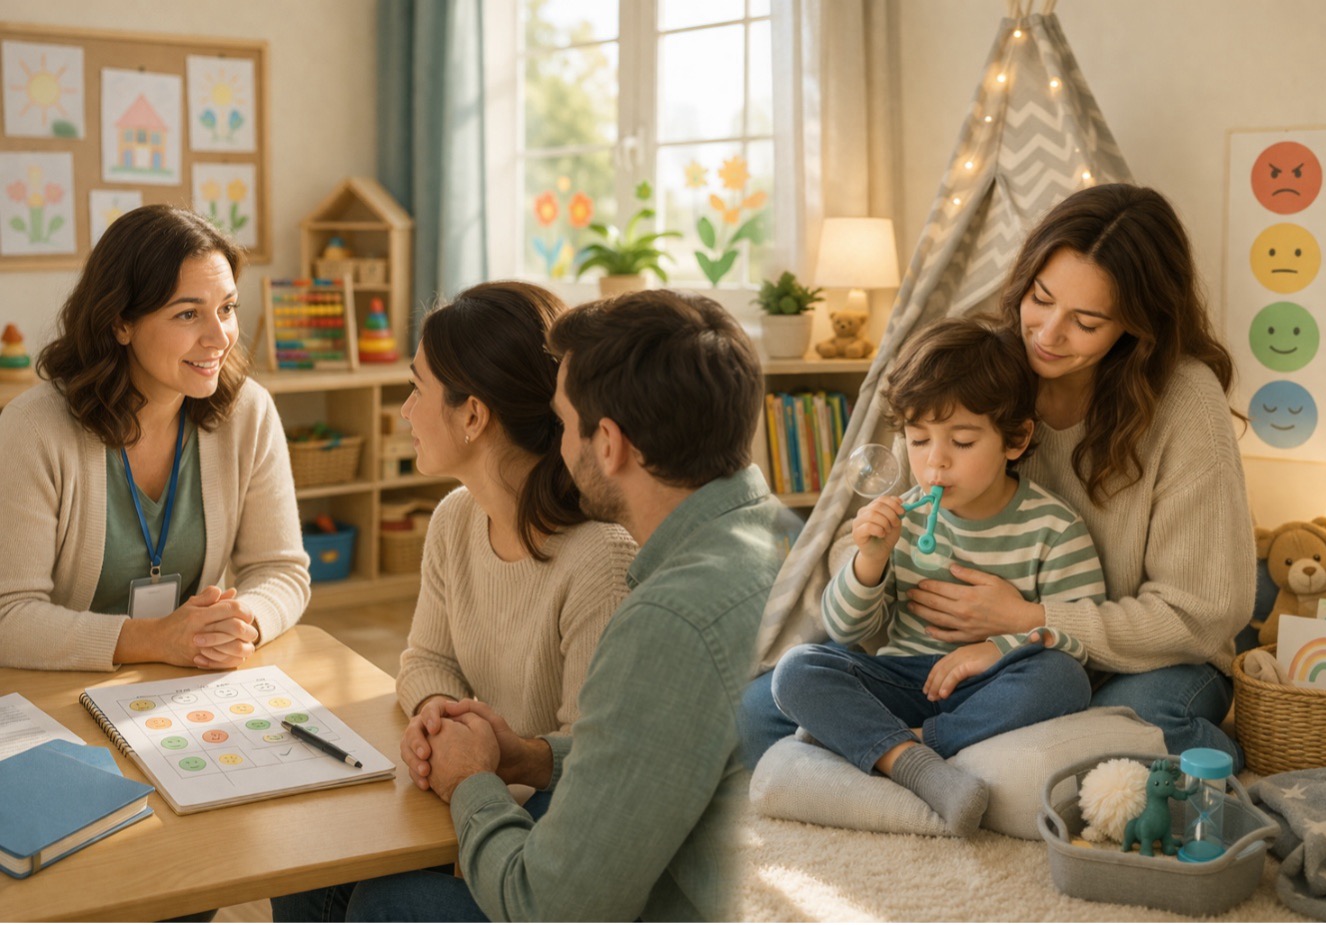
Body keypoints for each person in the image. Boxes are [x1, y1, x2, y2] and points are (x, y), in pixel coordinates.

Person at [742, 183, 1255, 771]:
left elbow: (1202, 614)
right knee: (763, 709)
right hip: (945, 668)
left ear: (1138, 328)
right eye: (1040, 298)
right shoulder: (984, 369)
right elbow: (878, 530)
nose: (1047, 333)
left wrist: (1025, 621)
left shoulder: (1186, 402)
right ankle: (927, 756)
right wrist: (870, 559)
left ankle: (906, 756)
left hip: (1137, 661)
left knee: (1123, 724)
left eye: (1086, 321)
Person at [326, 290, 781, 923]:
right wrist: (518, 754)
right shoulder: (762, 543)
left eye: (564, 423)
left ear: (609, 445)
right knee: (333, 865)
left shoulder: (662, 615)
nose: (559, 445)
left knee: (388, 902)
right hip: (602, 837)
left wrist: (472, 781)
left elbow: (551, 906)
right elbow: (641, 749)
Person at [270, 281, 637, 921]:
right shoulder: (455, 518)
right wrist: (442, 720)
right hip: (470, 798)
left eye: (417, 389)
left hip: (545, 850)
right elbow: (425, 660)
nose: (405, 412)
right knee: (300, 858)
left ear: (473, 416)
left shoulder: (601, 559)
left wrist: (493, 759)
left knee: (391, 903)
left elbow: (604, 771)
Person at [770, 316, 1103, 835]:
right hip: (904, 677)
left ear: (1014, 440)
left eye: (963, 442)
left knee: (1062, 679)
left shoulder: (1053, 528)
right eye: (919, 440)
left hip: (991, 687)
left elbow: (1080, 637)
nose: (935, 464)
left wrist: (997, 649)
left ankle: (905, 747)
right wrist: (870, 561)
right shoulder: (903, 517)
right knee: (796, 670)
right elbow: (847, 630)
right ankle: (913, 760)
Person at [0, 204, 309, 672]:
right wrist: (155, 640)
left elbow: (281, 570)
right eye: (188, 314)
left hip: (185, 684)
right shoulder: (33, 428)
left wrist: (241, 624)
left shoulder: (249, 411)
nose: (219, 337)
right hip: (59, 690)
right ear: (120, 322)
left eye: (226, 309)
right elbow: (9, 616)